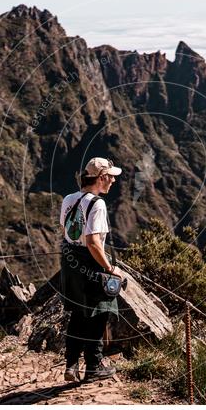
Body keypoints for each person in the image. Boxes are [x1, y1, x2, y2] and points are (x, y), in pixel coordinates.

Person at [59, 157, 123, 382]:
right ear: (102, 178)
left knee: (78, 313)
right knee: (99, 313)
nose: (113, 181)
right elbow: (94, 242)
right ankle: (94, 366)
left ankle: (71, 364)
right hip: (91, 264)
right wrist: (109, 268)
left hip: (70, 264)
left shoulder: (68, 199)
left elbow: (66, 230)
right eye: (111, 177)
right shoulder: (97, 204)